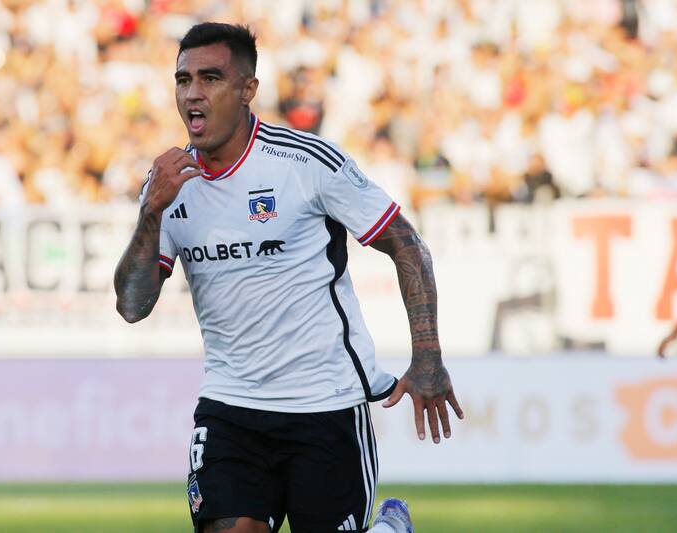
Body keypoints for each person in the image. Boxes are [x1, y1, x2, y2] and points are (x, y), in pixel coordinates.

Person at [114, 23, 462, 533]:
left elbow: (407, 245)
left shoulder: (305, 163)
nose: (193, 93)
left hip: (324, 404)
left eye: (211, 78)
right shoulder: (168, 185)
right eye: (183, 79)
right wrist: (150, 213)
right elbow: (131, 305)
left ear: (248, 90)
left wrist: (427, 356)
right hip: (231, 405)